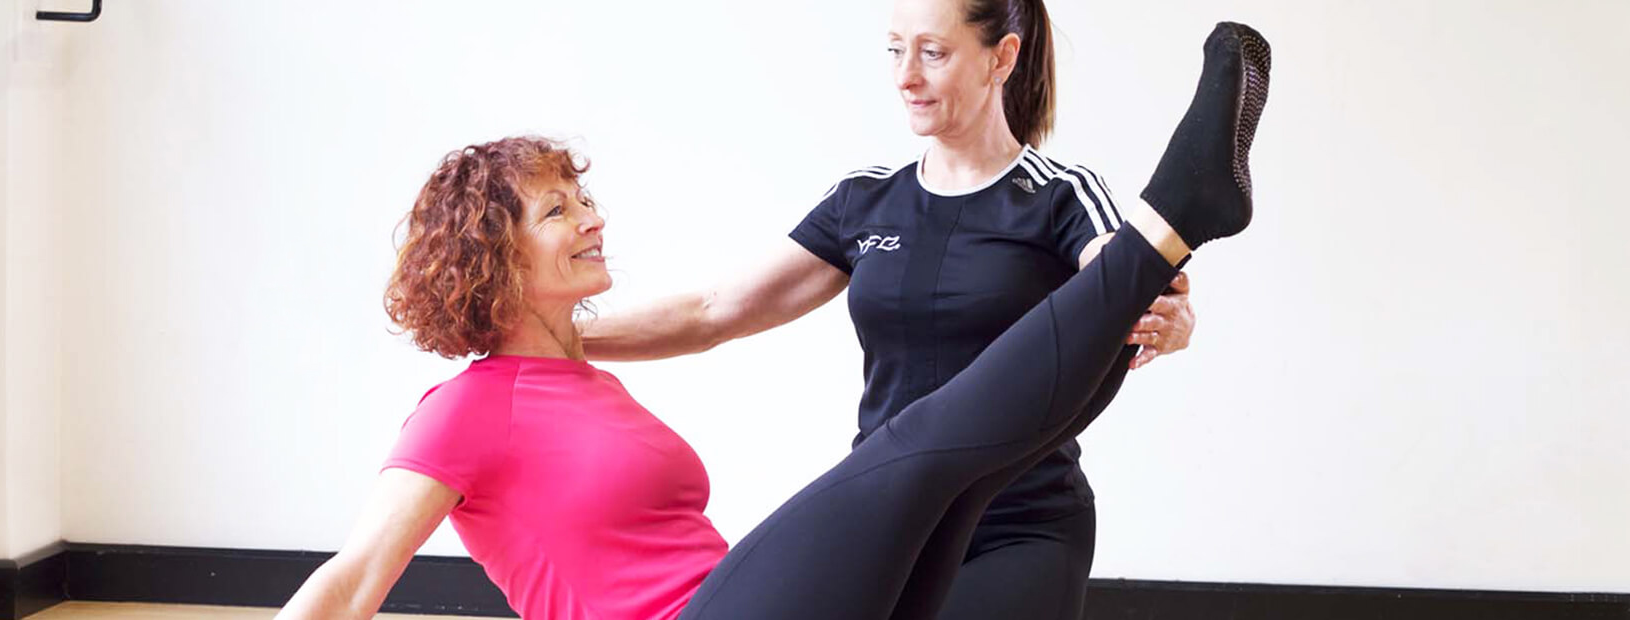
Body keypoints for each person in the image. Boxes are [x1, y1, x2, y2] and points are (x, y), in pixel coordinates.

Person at [276, 21, 1270, 620]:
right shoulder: (461, 408)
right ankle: (1176, 213)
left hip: (743, 598)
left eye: (583, 198)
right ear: (499, 254)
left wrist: (1145, 312)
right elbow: (357, 572)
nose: (593, 217)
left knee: (965, 467)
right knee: (922, 446)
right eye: (559, 209)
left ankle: (1164, 235)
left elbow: (699, 318)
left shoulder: (590, 379)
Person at [580, 1, 1196, 616]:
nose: (905, 76)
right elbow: (713, 311)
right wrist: (552, 334)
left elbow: (1117, 274)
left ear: (1001, 58)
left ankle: (1196, 195)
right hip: (885, 517)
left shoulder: (1060, 196)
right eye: (895, 49)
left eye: (933, 52)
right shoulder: (867, 197)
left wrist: (1169, 309)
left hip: (1018, 523)